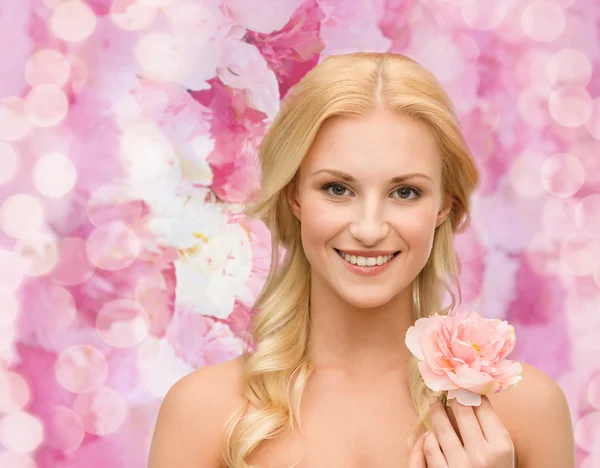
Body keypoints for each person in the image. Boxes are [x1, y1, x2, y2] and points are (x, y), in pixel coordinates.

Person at [148, 52, 575, 468]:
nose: (369, 230)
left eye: (405, 192)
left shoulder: (526, 413)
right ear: (295, 195)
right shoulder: (203, 414)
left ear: (444, 205)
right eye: (337, 189)